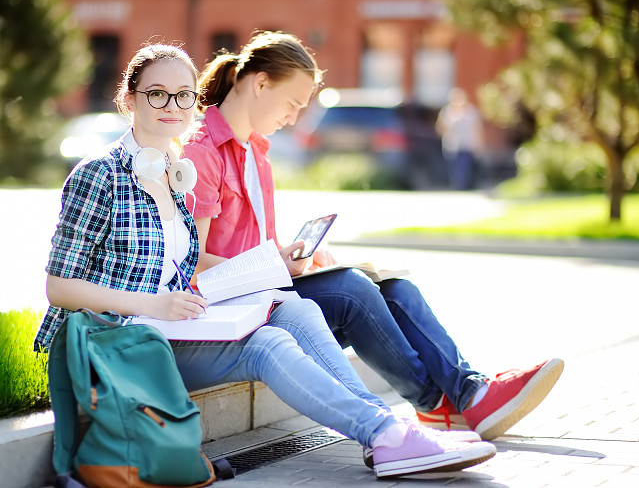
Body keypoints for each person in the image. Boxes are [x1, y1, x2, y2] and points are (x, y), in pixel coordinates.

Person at [32, 42, 497, 478]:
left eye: (182, 95)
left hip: (168, 330)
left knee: (295, 307)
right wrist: (151, 304)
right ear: (128, 100)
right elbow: (60, 288)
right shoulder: (99, 174)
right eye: (156, 94)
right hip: (116, 341)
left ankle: (387, 435)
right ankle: (387, 433)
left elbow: (181, 268)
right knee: (267, 345)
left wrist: (255, 277)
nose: (172, 106)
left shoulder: (177, 175)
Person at [183, 31, 564, 453]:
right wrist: (275, 263)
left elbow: (258, 244)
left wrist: (299, 258)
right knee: (351, 291)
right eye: (292, 103)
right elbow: (192, 263)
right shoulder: (203, 151)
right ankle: (444, 404)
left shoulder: (257, 151)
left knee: (396, 289)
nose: (294, 118)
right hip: (234, 307)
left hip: (269, 289)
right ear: (259, 83)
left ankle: (467, 391)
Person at [435, 87, 484, 190]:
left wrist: (479, 144)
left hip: (467, 145)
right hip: (452, 145)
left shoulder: (471, 112)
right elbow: (439, 128)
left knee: (464, 166)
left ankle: (462, 186)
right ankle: (457, 185)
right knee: (454, 167)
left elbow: (477, 129)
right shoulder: (447, 112)